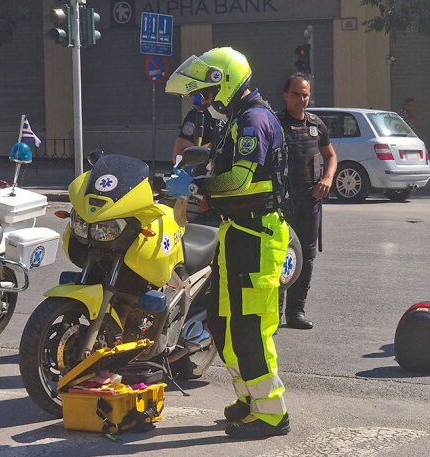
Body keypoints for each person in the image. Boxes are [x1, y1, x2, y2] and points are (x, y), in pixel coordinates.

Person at [165, 47, 291, 439]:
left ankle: (272, 414)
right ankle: (250, 399)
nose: (203, 100)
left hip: (257, 235)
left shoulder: (254, 120)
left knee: (251, 327)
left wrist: (196, 186)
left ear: (227, 82)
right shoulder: (236, 118)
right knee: (222, 323)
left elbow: (238, 179)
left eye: (206, 92)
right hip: (236, 232)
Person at [276, 73, 337, 330]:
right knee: (280, 255)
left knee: (307, 257)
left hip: (310, 199)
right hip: (282, 201)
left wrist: (327, 179)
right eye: (296, 94)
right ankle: (274, 314)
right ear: (285, 95)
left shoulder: (316, 125)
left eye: (305, 95)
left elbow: (331, 156)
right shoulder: (274, 123)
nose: (301, 99)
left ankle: (295, 312)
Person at [172, 94, 218, 164]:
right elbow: (178, 157)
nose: (203, 100)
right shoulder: (198, 114)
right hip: (207, 168)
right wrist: (215, 146)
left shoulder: (234, 114)